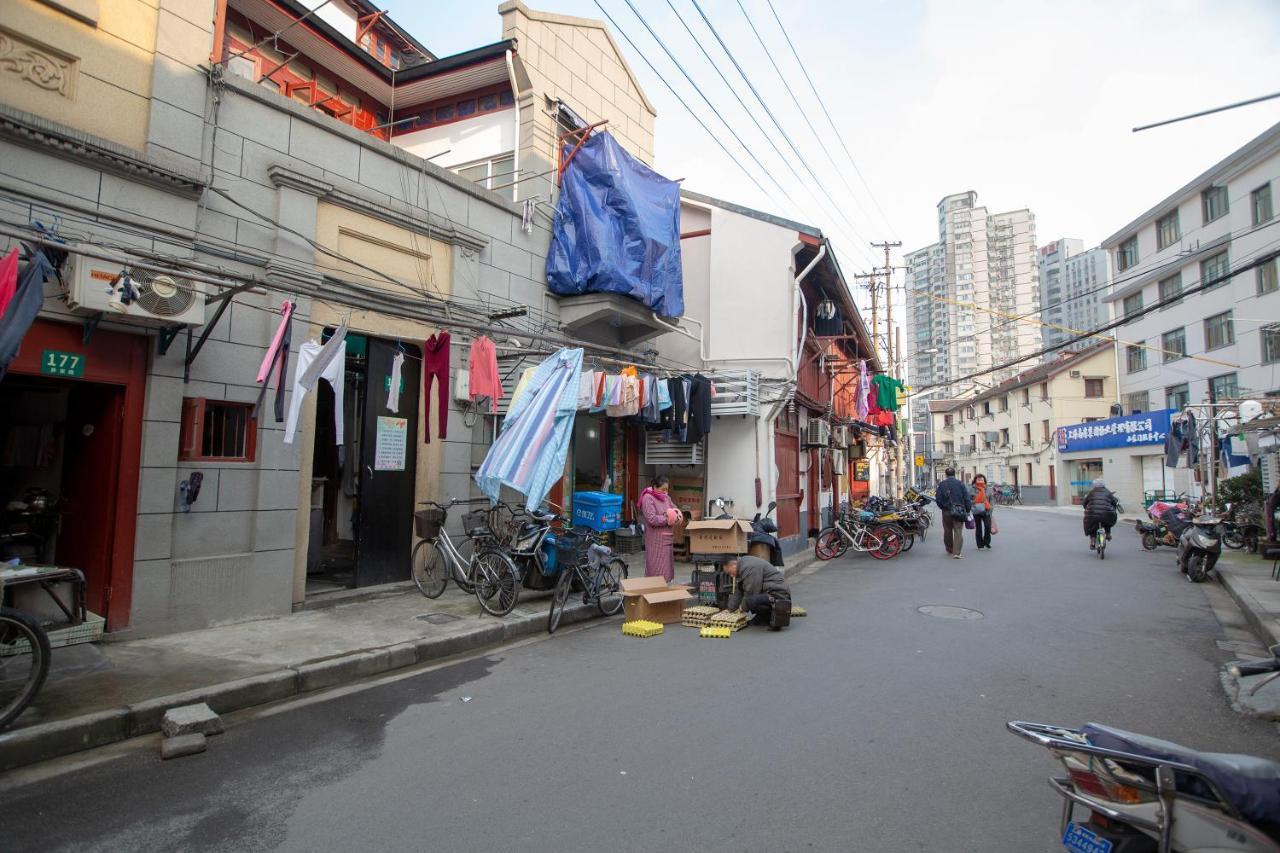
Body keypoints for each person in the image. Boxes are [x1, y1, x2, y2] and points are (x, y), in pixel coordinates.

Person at [724, 554, 792, 629]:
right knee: (751, 600)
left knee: (751, 600)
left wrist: (741, 608)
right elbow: (739, 590)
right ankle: (763, 617)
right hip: (769, 592)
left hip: (779, 594)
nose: (731, 575)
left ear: (734, 564)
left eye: (730, 572)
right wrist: (730, 608)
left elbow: (751, 591)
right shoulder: (742, 566)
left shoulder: (748, 567)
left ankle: (770, 615)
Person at [639, 475, 681, 581]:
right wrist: (667, 518)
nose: (666, 492)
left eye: (667, 489)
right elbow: (651, 519)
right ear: (655, 487)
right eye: (663, 489)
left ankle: (663, 592)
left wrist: (677, 514)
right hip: (655, 539)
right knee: (656, 568)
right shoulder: (648, 498)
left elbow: (674, 508)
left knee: (666, 568)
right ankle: (655, 592)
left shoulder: (666, 498)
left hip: (667, 538)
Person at [935, 467, 972, 560]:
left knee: (947, 530)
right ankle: (957, 552)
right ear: (955, 474)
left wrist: (943, 507)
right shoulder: (960, 484)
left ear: (946, 474)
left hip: (946, 511)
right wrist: (968, 509)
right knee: (958, 530)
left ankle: (949, 548)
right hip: (959, 510)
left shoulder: (942, 484)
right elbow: (966, 498)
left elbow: (938, 499)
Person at [1083, 478, 1119, 548]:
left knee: (1091, 525)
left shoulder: (1091, 492)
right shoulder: (1107, 492)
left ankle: (1093, 540)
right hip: (1106, 514)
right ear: (1103, 485)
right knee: (1108, 521)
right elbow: (1114, 503)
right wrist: (1112, 509)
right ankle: (1108, 533)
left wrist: (1086, 508)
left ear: (1094, 485)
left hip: (1093, 514)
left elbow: (1084, 503)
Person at [969, 474, 994, 550]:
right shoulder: (972, 489)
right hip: (977, 510)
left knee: (987, 526)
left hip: (986, 510)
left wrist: (991, 509)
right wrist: (975, 503)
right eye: (979, 479)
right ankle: (980, 545)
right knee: (978, 528)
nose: (980, 481)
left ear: (984, 481)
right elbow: (968, 500)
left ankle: (986, 542)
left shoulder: (988, 489)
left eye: (982, 480)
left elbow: (991, 501)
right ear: (975, 480)